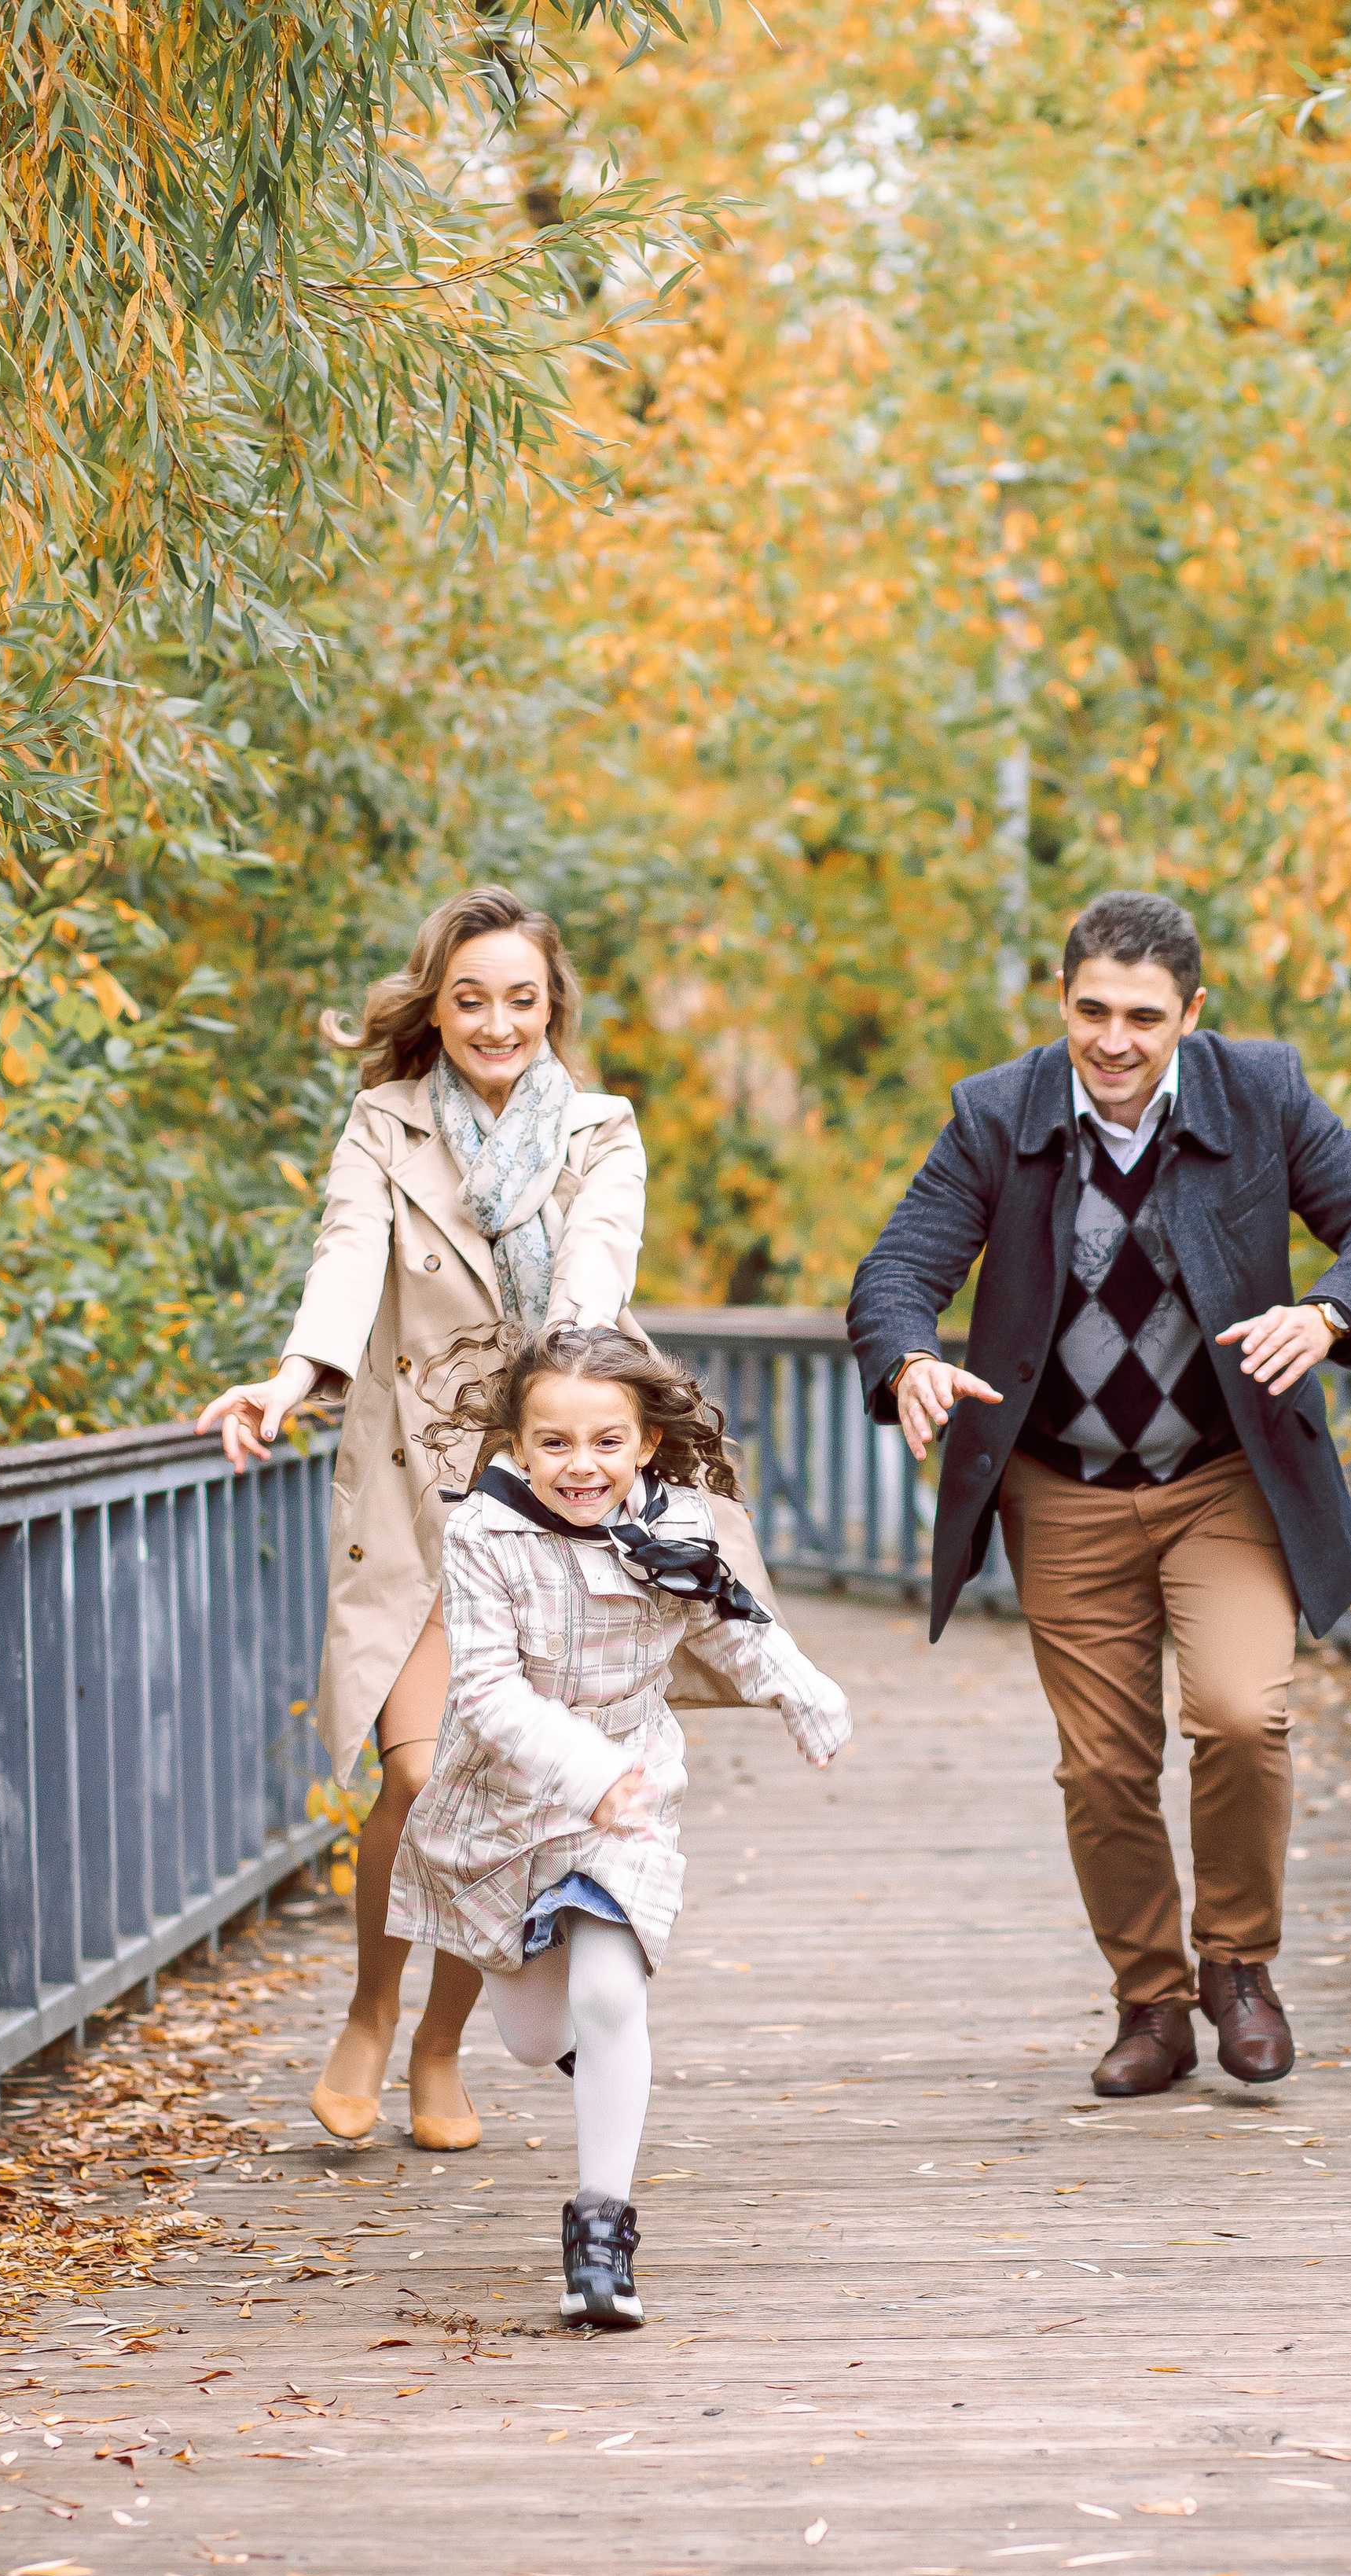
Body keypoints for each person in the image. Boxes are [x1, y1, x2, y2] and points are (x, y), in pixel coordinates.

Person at [846, 888, 1351, 2098]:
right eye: (1092, 1012)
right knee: (1103, 1769)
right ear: (1061, 1002)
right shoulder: (994, 1116)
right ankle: (1152, 2006)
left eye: (1144, 1018)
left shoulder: (1259, 1092)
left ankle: (1240, 1966)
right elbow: (900, 1264)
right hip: (1062, 1488)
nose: (1115, 1041)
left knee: (1240, 1713)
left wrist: (1330, 1314)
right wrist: (906, 1356)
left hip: (1221, 1475)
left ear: (1192, 1014)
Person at [196, 886, 646, 2153]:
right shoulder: (384, 1128)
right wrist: (289, 1381)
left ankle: (445, 2046)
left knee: (496, 1787)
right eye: (470, 998)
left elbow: (601, 1254)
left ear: (552, 1005)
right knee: (421, 1771)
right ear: (436, 1009)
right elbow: (348, 1261)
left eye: (521, 997)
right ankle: (372, 2009)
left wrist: (577, 1345)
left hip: (545, 1490)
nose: (497, 1022)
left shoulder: (601, 1131)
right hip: (412, 1495)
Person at [387, 1325, 851, 2327]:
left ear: (644, 1443)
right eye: (553, 1442)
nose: (580, 1465)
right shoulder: (483, 1535)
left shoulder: (678, 1525)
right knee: (531, 2036)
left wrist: (801, 1691)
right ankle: (592, 2054)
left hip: (630, 1792)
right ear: (516, 1443)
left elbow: (732, 1622)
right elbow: (487, 1694)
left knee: (607, 1996)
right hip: (505, 1803)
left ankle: (601, 2233)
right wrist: (581, 1772)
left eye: (606, 1441)